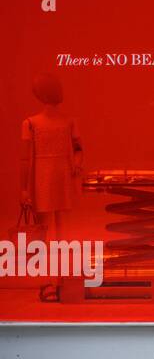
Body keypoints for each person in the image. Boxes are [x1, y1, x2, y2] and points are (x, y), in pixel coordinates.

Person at [19, 72, 83, 302]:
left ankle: (60, 279)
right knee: (44, 233)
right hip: (42, 177)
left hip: (60, 175)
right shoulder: (31, 123)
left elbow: (78, 148)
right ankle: (47, 280)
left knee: (62, 233)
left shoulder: (68, 121)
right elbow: (26, 159)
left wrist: (76, 163)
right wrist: (25, 189)